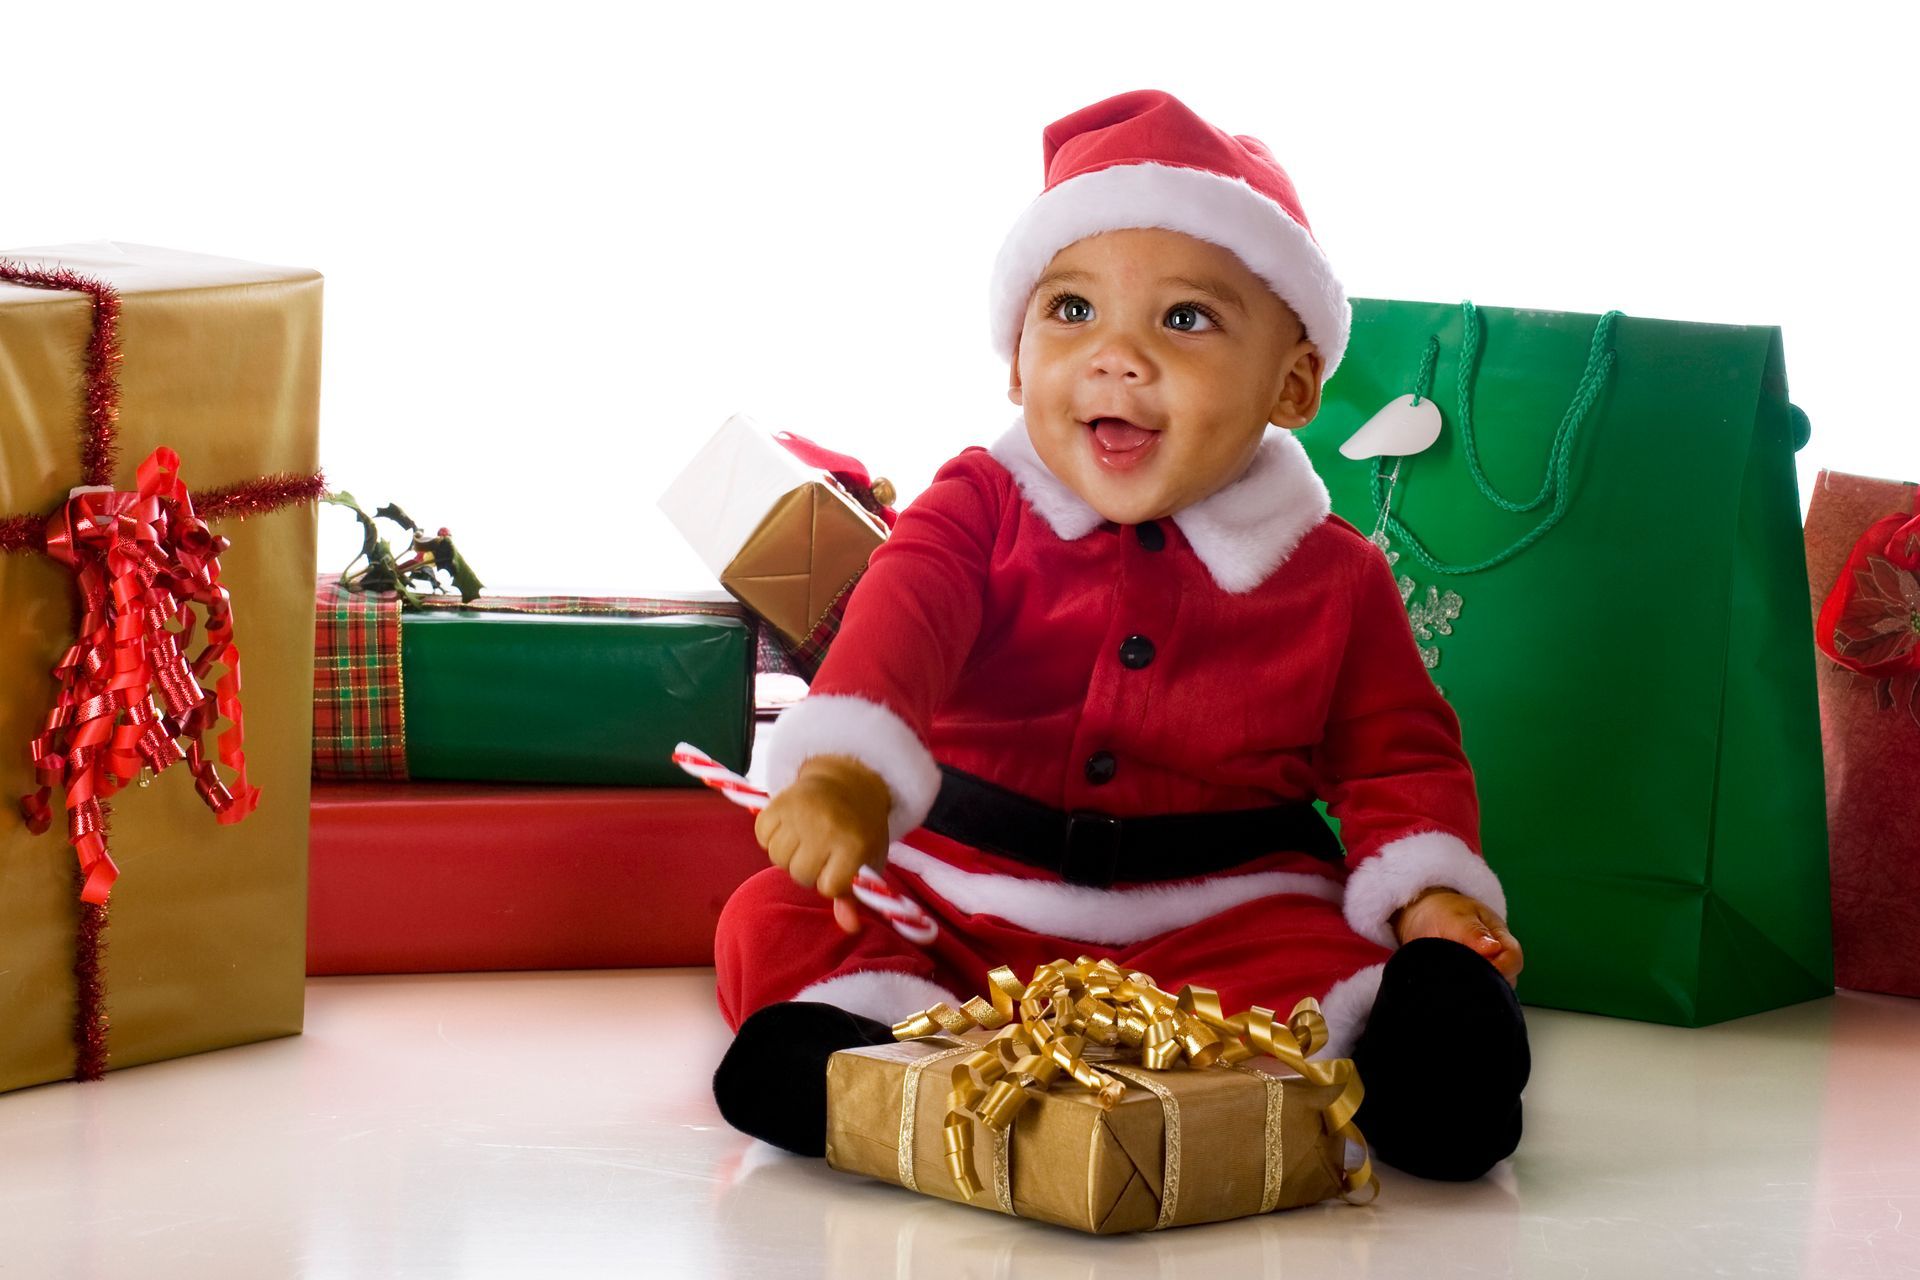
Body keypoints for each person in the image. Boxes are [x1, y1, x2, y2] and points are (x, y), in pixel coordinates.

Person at [709, 89, 1530, 1183]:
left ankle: (1415, 1068)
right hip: (966, 889)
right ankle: (857, 1042)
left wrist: (1430, 894)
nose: (1117, 357)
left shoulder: (1334, 572)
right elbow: (906, 614)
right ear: (1014, 362)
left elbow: (1398, 752)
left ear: (1291, 384)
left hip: (1221, 912)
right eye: (1072, 313)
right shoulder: (980, 506)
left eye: (1185, 320)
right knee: (781, 915)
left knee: (1345, 972)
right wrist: (852, 770)